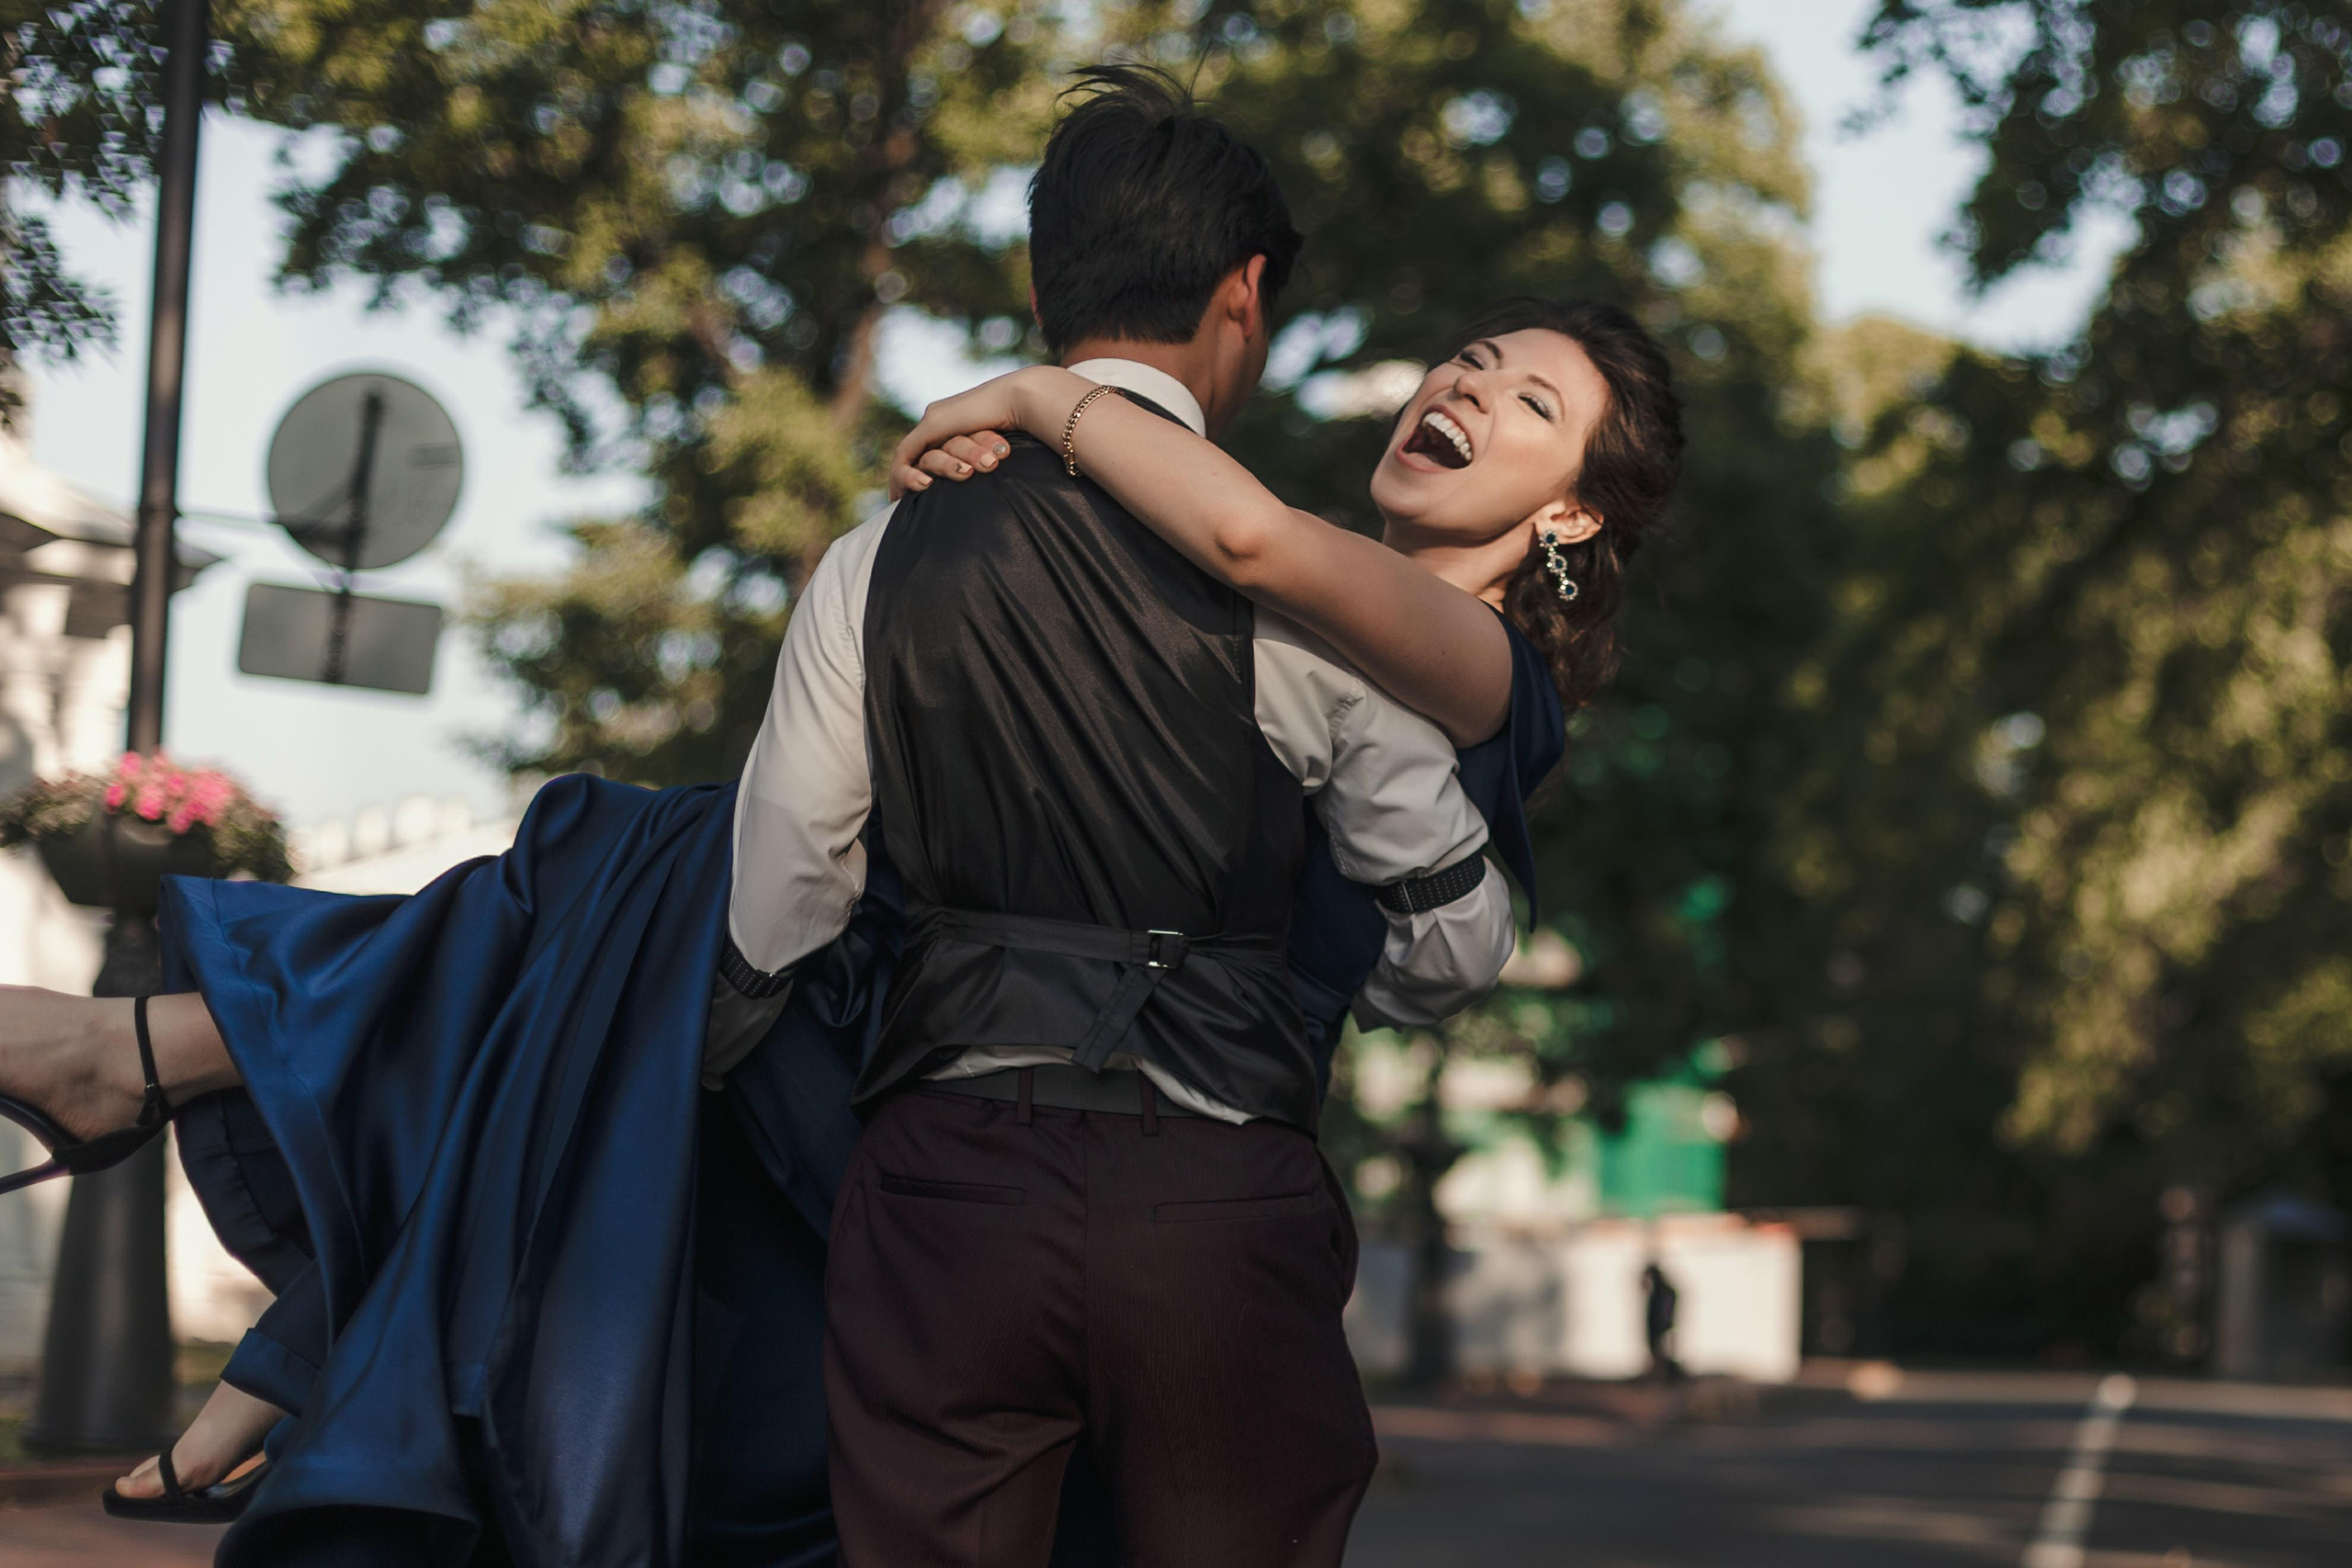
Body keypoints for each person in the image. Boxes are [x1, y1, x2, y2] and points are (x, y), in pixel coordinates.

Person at [0, 67, 1683, 1567]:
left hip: (1152, 1109)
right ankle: (251, 1250)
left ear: (1573, 513)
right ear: (1242, 306)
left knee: (633, 887)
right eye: (1469, 358)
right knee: (630, 901)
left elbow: (1248, 553)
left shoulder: (1459, 656)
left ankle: (215, 1173)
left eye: (1530, 401)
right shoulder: (1290, 578)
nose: (1464, 388)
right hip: (1023, 1091)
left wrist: (1035, 405)